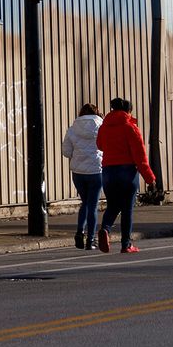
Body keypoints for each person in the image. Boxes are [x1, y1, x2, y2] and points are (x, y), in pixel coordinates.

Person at [96, 98, 156, 253]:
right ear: (129, 111)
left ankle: (106, 229)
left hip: (108, 171)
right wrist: (150, 179)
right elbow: (140, 157)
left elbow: (99, 145)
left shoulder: (104, 127)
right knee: (127, 208)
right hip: (127, 171)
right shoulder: (130, 128)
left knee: (113, 205)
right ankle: (126, 244)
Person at [64, 104, 104, 249]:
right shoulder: (102, 126)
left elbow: (66, 151)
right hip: (96, 170)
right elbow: (106, 146)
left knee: (85, 203)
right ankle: (91, 239)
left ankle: (80, 232)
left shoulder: (73, 128)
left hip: (78, 172)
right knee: (92, 205)